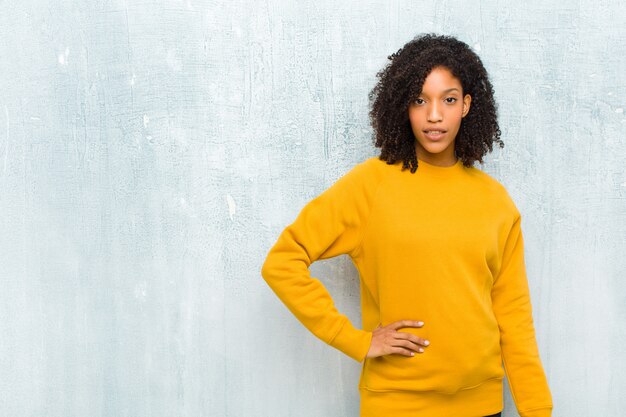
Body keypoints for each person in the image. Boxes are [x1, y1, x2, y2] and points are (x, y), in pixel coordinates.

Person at [261, 33, 553, 417]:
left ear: (466, 105)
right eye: (420, 100)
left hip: (481, 407)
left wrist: (538, 409)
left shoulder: (495, 202)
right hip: (395, 405)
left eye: (448, 99)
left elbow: (514, 317)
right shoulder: (371, 185)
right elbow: (282, 261)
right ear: (404, 106)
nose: (434, 115)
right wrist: (357, 341)